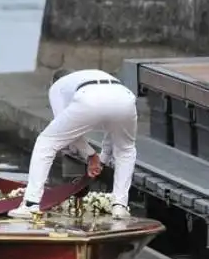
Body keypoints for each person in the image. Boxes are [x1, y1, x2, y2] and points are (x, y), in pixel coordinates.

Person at [8, 68, 137, 220]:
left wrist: (90, 155)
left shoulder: (57, 87)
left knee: (46, 142)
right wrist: (101, 159)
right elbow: (112, 132)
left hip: (90, 99)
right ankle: (120, 206)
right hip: (124, 96)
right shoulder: (90, 75)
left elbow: (67, 135)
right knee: (126, 150)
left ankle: (30, 205)